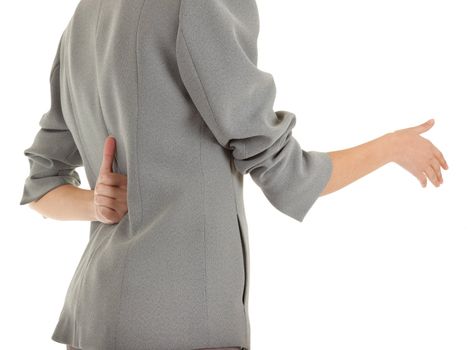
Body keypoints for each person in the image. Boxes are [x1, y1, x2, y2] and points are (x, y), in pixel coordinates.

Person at [19, 0, 448, 349]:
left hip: (95, 314)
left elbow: (42, 185)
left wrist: (96, 206)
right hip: (182, 320)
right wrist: (392, 147)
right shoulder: (197, 5)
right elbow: (286, 174)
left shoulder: (84, 16)